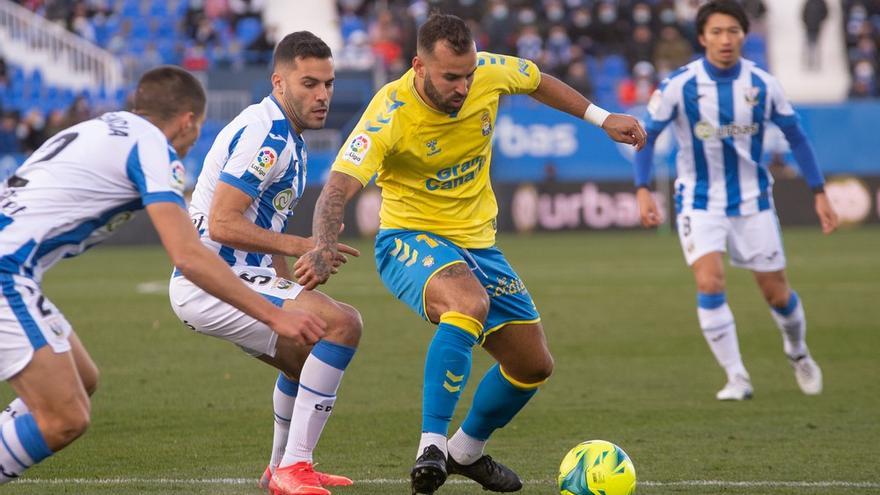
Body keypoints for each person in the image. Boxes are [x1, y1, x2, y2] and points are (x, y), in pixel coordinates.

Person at [294, 14, 646, 495]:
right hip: (408, 239)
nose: (463, 86)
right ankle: (431, 447)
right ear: (418, 66)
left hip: (479, 244)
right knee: (467, 302)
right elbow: (337, 188)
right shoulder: (389, 112)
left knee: (532, 365)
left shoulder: (488, 72)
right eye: (450, 77)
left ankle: (465, 452)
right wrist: (323, 244)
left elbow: (539, 81)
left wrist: (603, 119)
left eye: (468, 74)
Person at [0, 66, 325, 484]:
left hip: (16, 270)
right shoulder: (153, 147)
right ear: (189, 120)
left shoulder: (103, 128)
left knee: (83, 378)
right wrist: (274, 315)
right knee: (65, 417)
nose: (193, 142)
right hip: (7, 273)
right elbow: (188, 254)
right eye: (198, 129)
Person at [167, 32, 361, 495]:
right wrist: (305, 246)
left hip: (226, 275)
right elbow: (221, 223)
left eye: (328, 84)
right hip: (212, 277)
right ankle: (294, 466)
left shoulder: (287, 135)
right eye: (309, 83)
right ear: (279, 82)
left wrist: (283, 284)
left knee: (307, 352)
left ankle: (280, 470)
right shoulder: (268, 136)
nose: (322, 95)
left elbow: (263, 217)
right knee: (343, 325)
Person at [633, 0, 839, 401]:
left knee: (776, 293)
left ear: (745, 35)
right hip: (698, 200)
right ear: (702, 37)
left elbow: (796, 136)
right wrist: (643, 188)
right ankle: (737, 376)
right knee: (710, 281)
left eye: (732, 31)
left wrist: (819, 192)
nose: (725, 40)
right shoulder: (679, 84)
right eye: (716, 32)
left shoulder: (763, 84)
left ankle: (797, 352)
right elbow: (646, 135)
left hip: (753, 202)